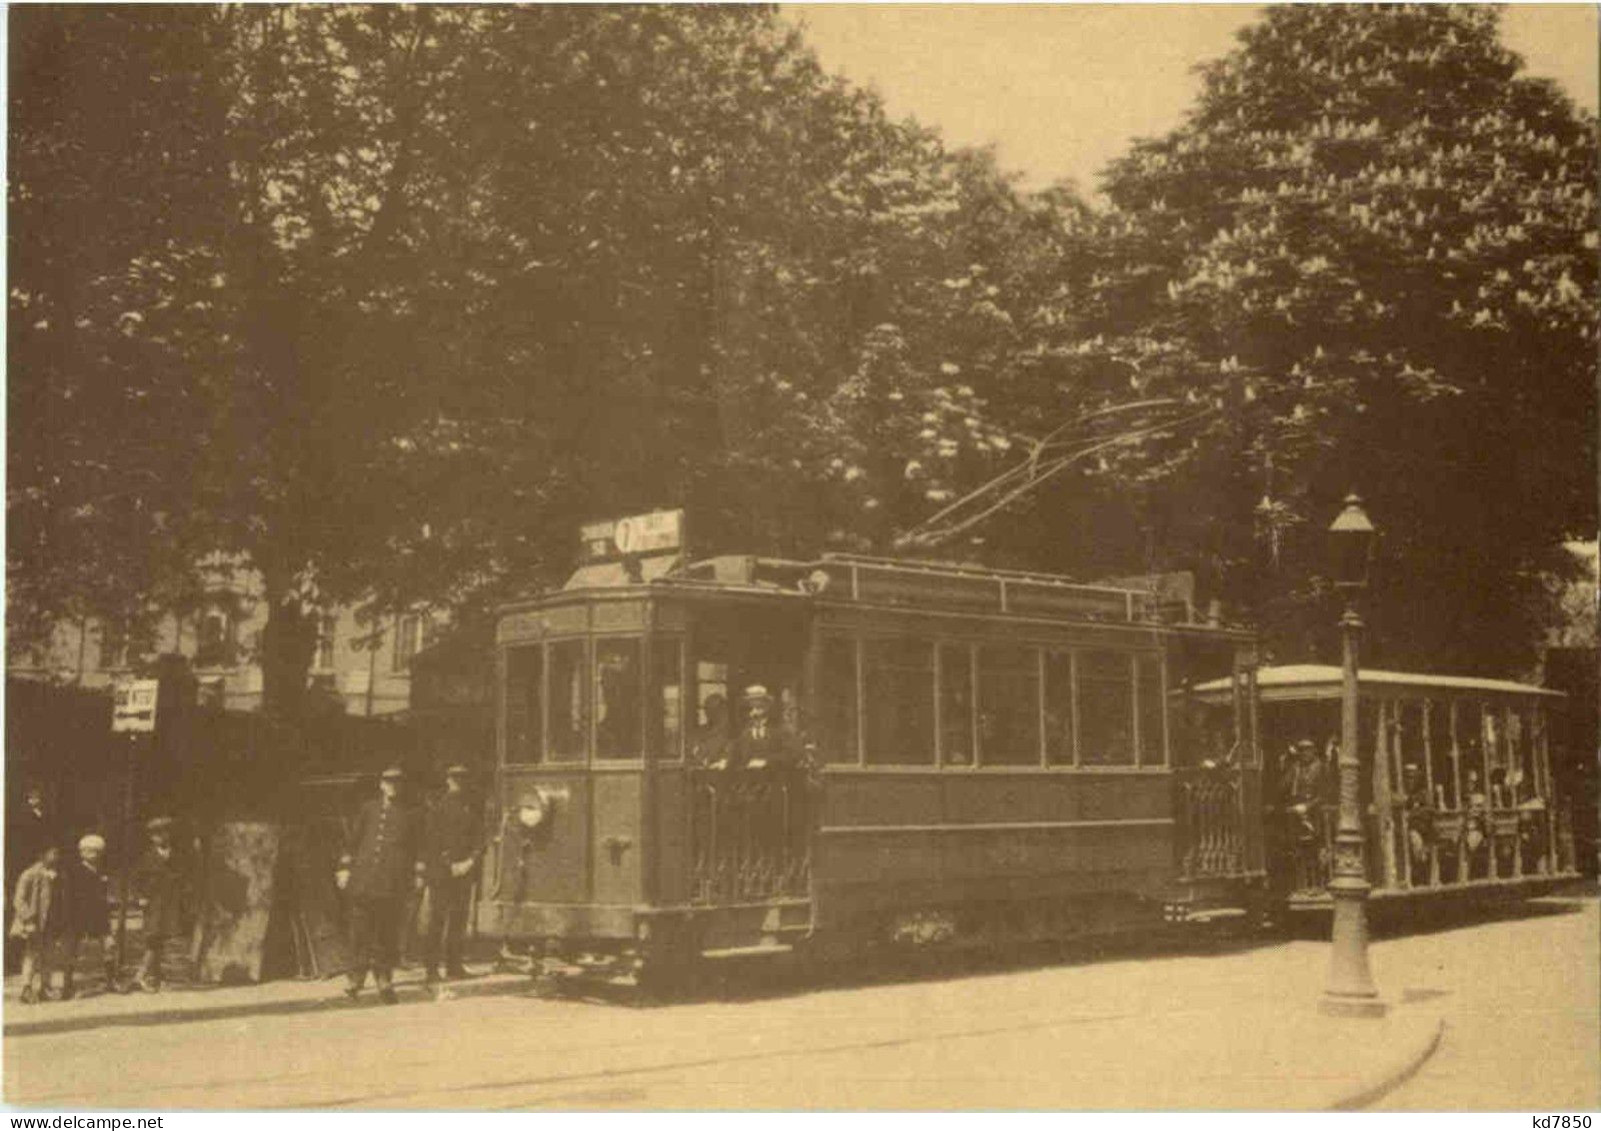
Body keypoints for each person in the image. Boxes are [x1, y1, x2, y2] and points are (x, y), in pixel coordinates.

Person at [337, 766, 423, 1004]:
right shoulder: (368, 809)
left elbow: (418, 847)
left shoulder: (410, 814)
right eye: (388, 782)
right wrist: (344, 868)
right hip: (364, 880)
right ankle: (355, 978)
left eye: (397, 782)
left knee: (386, 932)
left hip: (392, 882)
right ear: (381, 785)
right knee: (359, 930)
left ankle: (384, 979)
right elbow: (352, 842)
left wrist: (418, 874)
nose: (393, 786)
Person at [421, 764, 482, 984]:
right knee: (437, 920)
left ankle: (454, 966)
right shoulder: (438, 806)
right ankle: (431, 969)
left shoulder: (471, 806)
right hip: (441, 871)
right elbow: (432, 840)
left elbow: (478, 837)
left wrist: (471, 861)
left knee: (459, 919)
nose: (459, 782)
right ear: (447, 780)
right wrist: (450, 864)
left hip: (464, 870)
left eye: (463, 778)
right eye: (455, 778)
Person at [134, 817, 189, 992]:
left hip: (170, 902)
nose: (161, 837)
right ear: (151, 838)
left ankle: (156, 977)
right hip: (154, 902)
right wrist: (141, 896)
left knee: (161, 938)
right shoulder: (147, 856)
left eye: (164, 833)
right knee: (153, 937)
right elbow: (138, 879)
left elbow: (183, 875)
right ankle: (140, 976)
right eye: (156, 834)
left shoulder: (177, 854)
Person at [10, 843, 67, 1004]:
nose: (56, 857)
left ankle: (45, 986)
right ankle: (26, 988)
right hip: (35, 921)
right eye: (52, 853)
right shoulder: (30, 874)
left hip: (51, 921)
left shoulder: (58, 875)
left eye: (57, 853)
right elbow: (19, 900)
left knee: (49, 955)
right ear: (42, 855)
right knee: (31, 954)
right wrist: (28, 919)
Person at [63, 834, 116, 999]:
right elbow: (70, 896)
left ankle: (110, 980)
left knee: (109, 945)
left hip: (100, 916)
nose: (95, 855)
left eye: (98, 852)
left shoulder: (101, 871)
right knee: (73, 950)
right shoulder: (75, 872)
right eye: (90, 851)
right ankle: (67, 985)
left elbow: (104, 894)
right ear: (82, 852)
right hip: (79, 916)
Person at [727, 685, 802, 771]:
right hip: (748, 780)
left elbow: (794, 754)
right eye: (751, 708)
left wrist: (766, 762)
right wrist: (725, 762)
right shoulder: (744, 733)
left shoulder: (780, 730)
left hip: (775, 779)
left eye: (759, 708)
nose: (754, 713)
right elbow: (735, 756)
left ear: (768, 707)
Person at [1402, 764, 1435, 883]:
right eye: (1408, 778)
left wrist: (1411, 815)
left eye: (1412, 778)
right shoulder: (1411, 796)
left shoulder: (1424, 794)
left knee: (1415, 840)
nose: (1410, 781)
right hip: (1411, 829)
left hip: (1423, 831)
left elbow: (1429, 811)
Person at [692, 692, 732, 766]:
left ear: (722, 709)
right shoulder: (700, 731)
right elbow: (695, 752)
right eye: (706, 709)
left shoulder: (732, 732)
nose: (707, 713)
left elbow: (729, 755)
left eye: (712, 709)